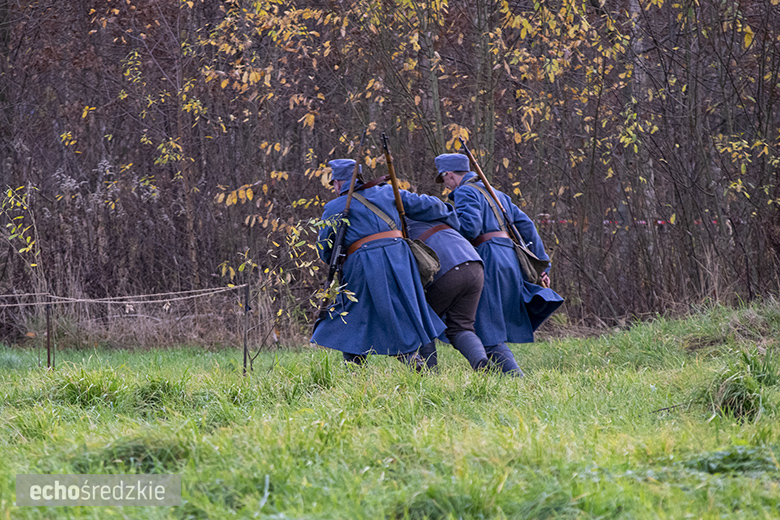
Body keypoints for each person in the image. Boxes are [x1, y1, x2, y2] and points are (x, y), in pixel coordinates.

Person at [311, 158, 459, 369]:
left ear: (336, 183)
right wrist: (452, 214)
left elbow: (325, 248)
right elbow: (426, 206)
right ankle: (417, 363)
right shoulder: (388, 192)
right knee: (409, 311)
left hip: (361, 265)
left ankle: (358, 368)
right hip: (400, 260)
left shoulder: (334, 207)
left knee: (354, 314)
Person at [435, 153, 564, 376]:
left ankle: (515, 379)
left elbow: (470, 228)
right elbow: (527, 226)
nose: (445, 185)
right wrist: (542, 266)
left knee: (485, 325)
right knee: (488, 323)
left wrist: (445, 221)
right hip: (509, 260)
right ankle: (494, 376)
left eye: (443, 179)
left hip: (488, 259)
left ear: (449, 175)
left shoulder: (465, 191)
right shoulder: (498, 194)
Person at [406, 218, 489, 371]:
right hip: (474, 265)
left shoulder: (403, 227)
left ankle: (429, 375)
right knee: (462, 326)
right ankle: (480, 361)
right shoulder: (434, 216)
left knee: (424, 323)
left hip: (447, 270)